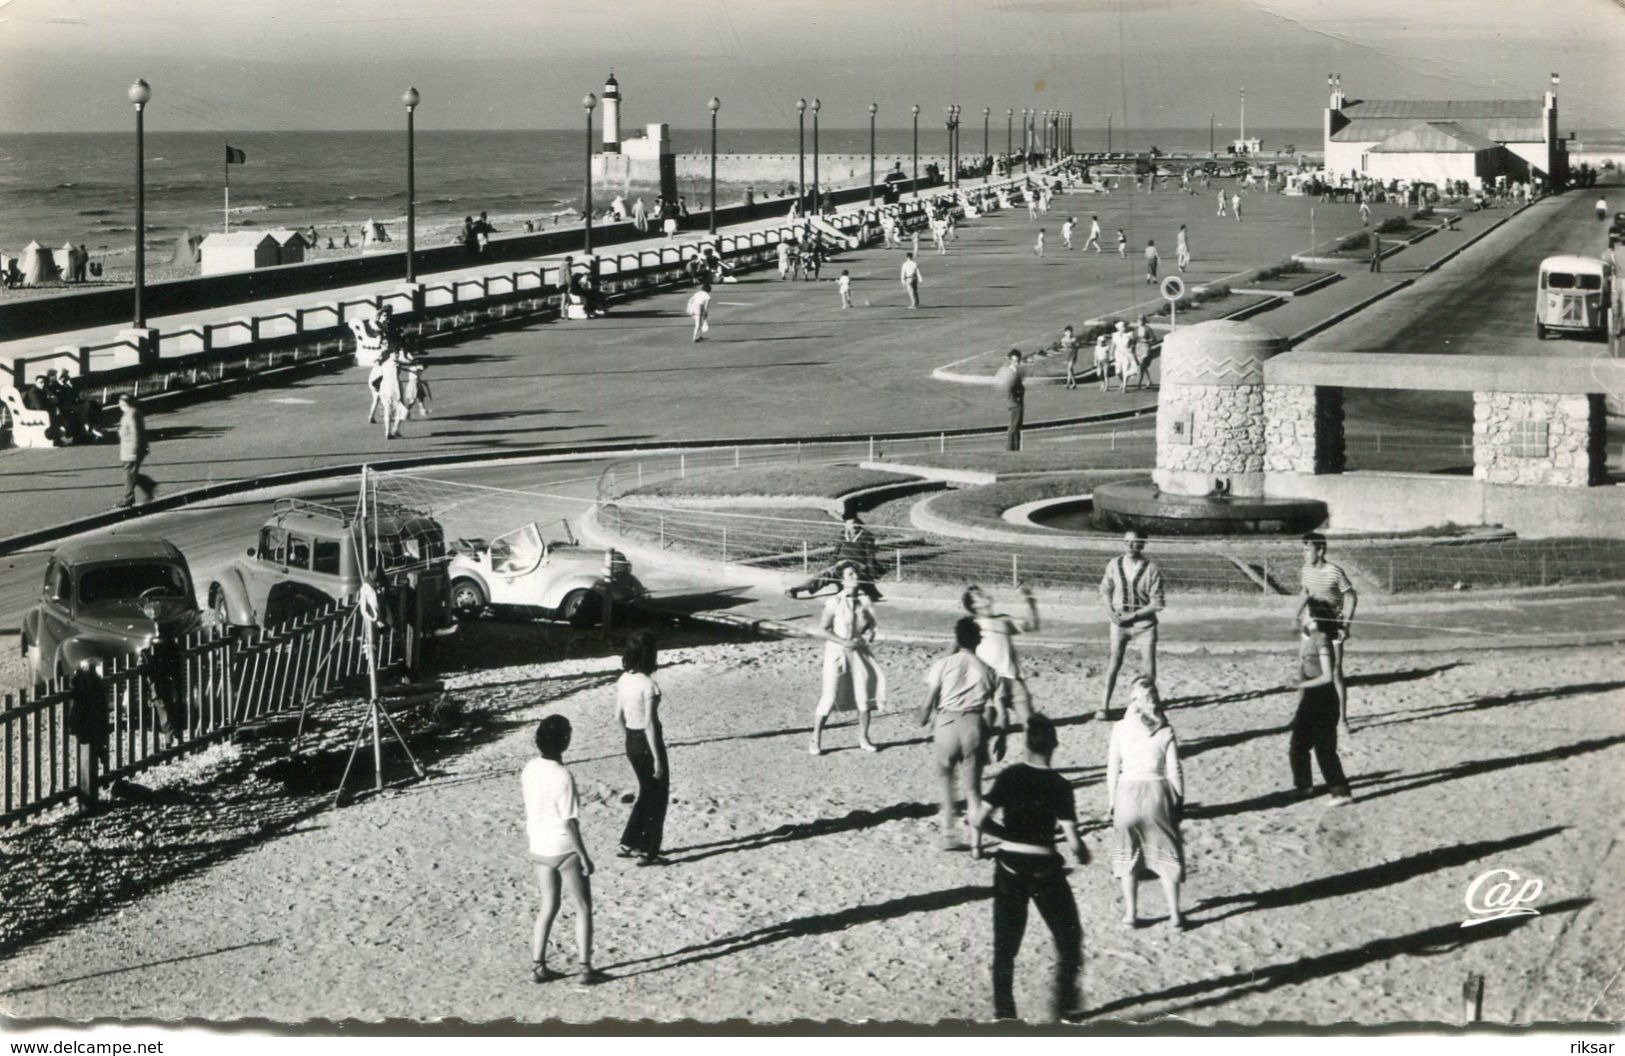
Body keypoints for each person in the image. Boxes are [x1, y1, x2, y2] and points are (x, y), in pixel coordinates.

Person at [969, 713, 1087, 1022]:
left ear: (1026, 744)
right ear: (1054, 745)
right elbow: (1074, 842)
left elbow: (978, 820)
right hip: (1044, 868)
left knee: (1005, 947)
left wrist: (1006, 835)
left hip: (1008, 865)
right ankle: (1064, 1011)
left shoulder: (1009, 776)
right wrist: (1084, 853)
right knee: (1068, 940)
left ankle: (1004, 1014)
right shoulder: (1060, 785)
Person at [522, 714, 603, 985]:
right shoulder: (564, 776)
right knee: (582, 907)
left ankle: (538, 966)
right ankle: (584, 968)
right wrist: (584, 856)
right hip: (563, 848)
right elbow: (570, 823)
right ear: (565, 741)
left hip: (539, 846)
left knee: (548, 906)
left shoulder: (529, 768)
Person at [918, 617, 1002, 853]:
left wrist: (922, 716)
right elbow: (993, 709)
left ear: (957, 639)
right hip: (973, 724)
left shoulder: (943, 664)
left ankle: (948, 833)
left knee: (946, 780)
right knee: (973, 789)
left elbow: (927, 705)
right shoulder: (989, 671)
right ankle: (976, 844)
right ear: (978, 640)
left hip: (947, 723)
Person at [1107, 676, 1184, 929]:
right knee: (1166, 856)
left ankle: (1130, 915)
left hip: (1127, 792)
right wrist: (1178, 800)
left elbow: (1112, 769)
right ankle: (1175, 915)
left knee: (1128, 857)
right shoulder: (1165, 729)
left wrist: (1111, 800)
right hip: (1157, 793)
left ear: (1132, 700)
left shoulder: (1119, 728)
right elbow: (1174, 771)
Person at [809, 563, 885, 756]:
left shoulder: (865, 600)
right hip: (837, 653)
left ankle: (864, 738)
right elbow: (823, 629)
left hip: (859, 652)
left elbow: (871, 626)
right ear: (842, 580)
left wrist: (868, 635)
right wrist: (843, 641)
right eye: (850, 574)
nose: (855, 576)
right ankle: (815, 739)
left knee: (864, 695)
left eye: (856, 573)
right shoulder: (834, 602)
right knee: (829, 695)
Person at [1097, 529, 1165, 720]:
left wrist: (1133, 615)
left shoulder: (1151, 569)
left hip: (1144, 625)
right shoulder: (1114, 564)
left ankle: (1148, 708)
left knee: (1149, 669)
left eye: (1135, 542)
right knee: (1113, 663)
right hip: (1119, 624)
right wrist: (1111, 612)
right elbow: (1105, 589)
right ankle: (1103, 706)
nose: (1130, 546)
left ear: (1142, 544)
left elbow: (1157, 603)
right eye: (1127, 542)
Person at [614, 636, 669, 864]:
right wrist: (657, 759)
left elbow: (617, 716)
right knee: (658, 797)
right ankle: (648, 850)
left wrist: (629, 738)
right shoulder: (649, 685)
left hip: (631, 740)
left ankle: (629, 841)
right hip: (647, 744)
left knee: (646, 793)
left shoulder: (624, 679)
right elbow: (650, 725)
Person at [1290, 611, 1353, 804]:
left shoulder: (1323, 640)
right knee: (1298, 745)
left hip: (1324, 699)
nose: (1303, 616)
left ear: (1316, 618)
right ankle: (1304, 786)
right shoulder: (1309, 637)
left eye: (1307, 614)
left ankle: (1341, 792)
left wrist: (1300, 685)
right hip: (1310, 698)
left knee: (1324, 749)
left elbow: (1327, 676)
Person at [1297, 532, 1357, 721]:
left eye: (1308, 549)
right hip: (1311, 625)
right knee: (1305, 666)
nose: (1304, 553)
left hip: (1332, 626)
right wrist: (1299, 614)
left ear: (1320, 550)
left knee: (1335, 671)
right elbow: (1305, 591)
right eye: (1303, 549)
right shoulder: (1306, 569)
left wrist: (1346, 624)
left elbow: (1351, 596)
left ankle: (1342, 720)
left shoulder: (1334, 572)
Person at [963, 582, 1039, 729]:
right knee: (985, 727)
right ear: (974, 606)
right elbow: (958, 650)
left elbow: (1032, 625)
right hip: (989, 682)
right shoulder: (972, 624)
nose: (984, 594)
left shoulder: (1004, 619)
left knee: (1031, 723)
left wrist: (1030, 601)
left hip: (1012, 678)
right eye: (979, 595)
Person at [787, 513, 884, 601]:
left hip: (857, 564)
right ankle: (795, 590)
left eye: (854, 523)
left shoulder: (867, 536)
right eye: (849, 524)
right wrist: (830, 565)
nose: (853, 526)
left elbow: (870, 555)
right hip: (841, 564)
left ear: (858, 524)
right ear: (845, 525)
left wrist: (871, 572)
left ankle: (867, 592)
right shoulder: (842, 535)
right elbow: (836, 552)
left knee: (851, 574)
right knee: (824, 575)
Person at [115, 394, 156, 508]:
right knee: (131, 474)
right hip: (129, 449)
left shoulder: (131, 414)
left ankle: (128, 499)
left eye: (120, 403)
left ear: (124, 403)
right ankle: (149, 485)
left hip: (131, 450)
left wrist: (134, 451)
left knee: (129, 474)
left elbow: (135, 433)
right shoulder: (132, 413)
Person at [997, 348, 1026, 451]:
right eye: (1014, 361)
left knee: (1018, 426)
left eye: (1018, 361)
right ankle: (1010, 449)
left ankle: (1016, 449)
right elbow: (1009, 387)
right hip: (1015, 402)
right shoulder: (1009, 372)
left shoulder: (1017, 370)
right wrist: (1016, 396)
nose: (1016, 363)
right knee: (1014, 426)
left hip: (1019, 401)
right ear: (1010, 360)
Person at [1111, 320, 1138, 393]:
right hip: (1118, 355)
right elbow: (1113, 346)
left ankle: (1124, 388)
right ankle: (1123, 382)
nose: (1124, 328)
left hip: (1126, 355)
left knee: (1125, 371)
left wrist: (1132, 349)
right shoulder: (1115, 335)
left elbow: (1133, 343)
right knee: (1118, 372)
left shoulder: (1129, 334)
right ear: (1119, 328)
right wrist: (1111, 354)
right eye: (1122, 327)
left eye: (1124, 327)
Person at [1058, 325, 1080, 390]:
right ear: (1065, 332)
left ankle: (1068, 383)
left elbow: (1077, 346)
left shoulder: (1074, 339)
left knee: (1070, 368)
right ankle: (1074, 383)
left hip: (1073, 354)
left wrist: (1072, 344)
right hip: (1068, 354)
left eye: (1070, 332)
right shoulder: (1063, 339)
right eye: (1067, 332)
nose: (1069, 333)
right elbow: (1063, 345)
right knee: (1070, 370)